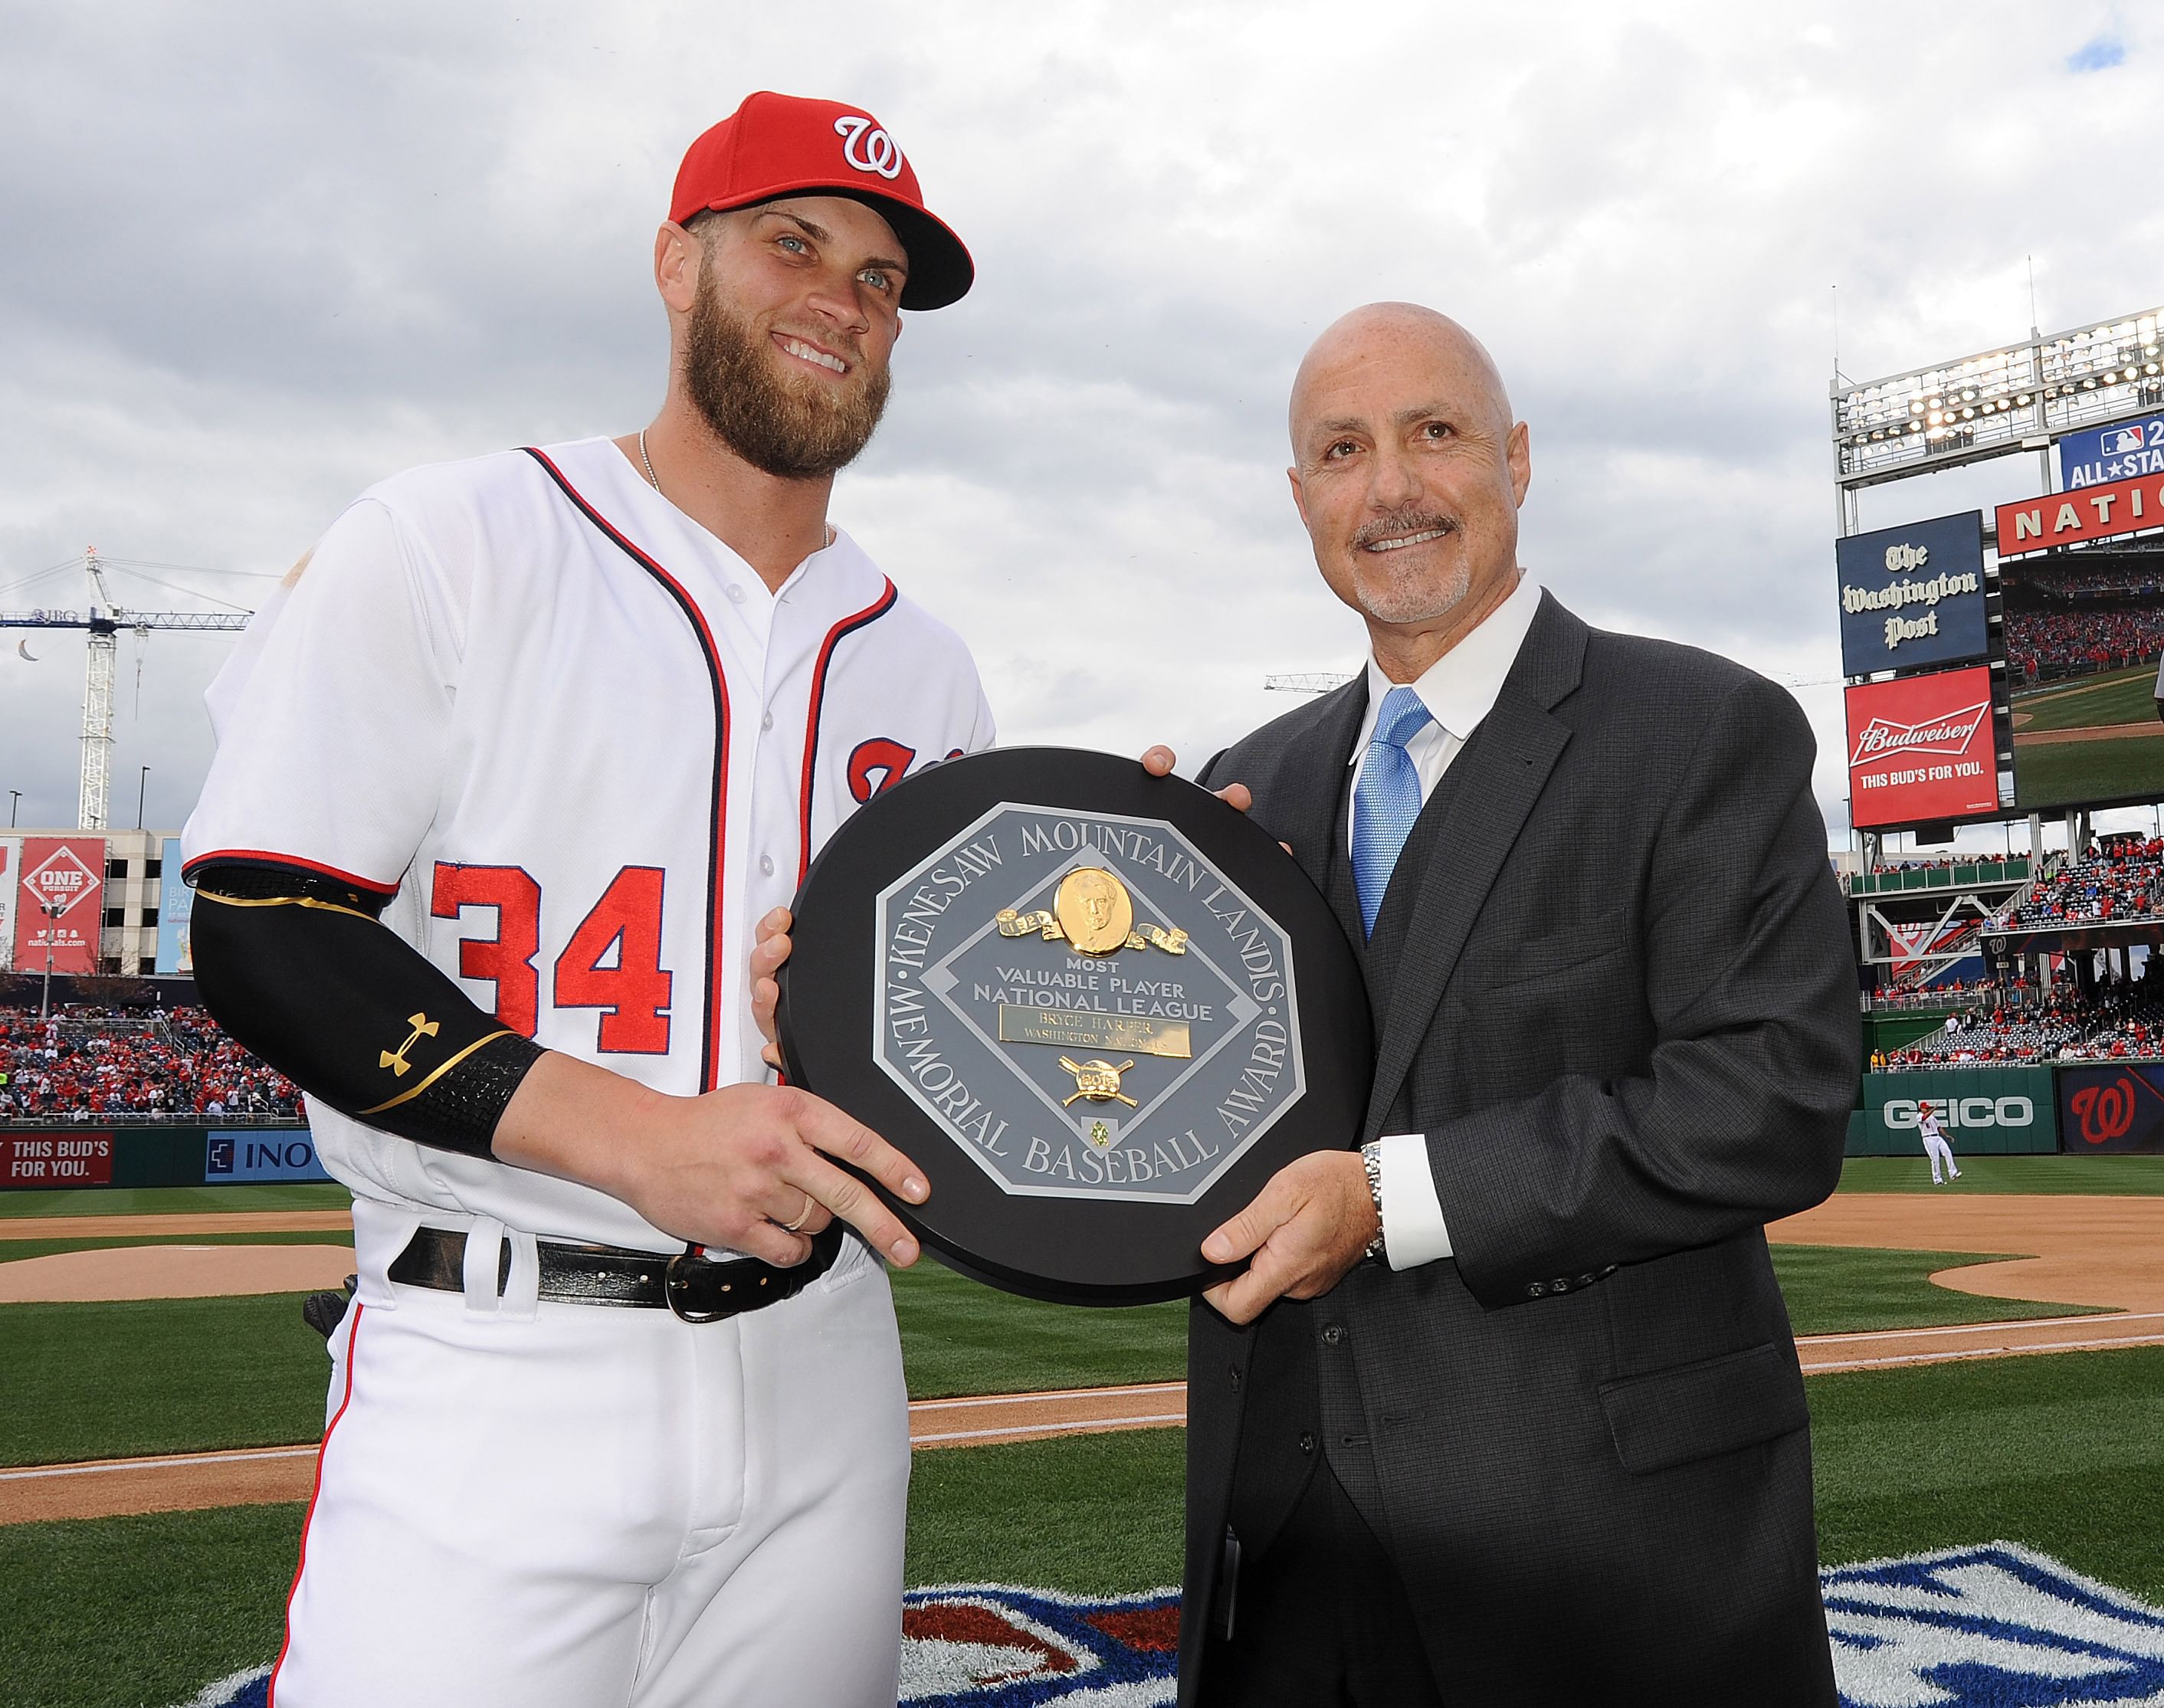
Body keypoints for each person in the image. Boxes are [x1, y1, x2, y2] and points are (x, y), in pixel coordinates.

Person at [179, 92, 988, 1708]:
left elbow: (956, 1057)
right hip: (494, 1352)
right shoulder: (451, 538)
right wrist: (639, 1135)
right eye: (793, 244)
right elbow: (262, 924)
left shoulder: (924, 662)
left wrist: (1148, 920)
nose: (842, 298)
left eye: (882, 278)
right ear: (675, 263)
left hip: (823, 1369)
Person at [1171, 303, 1857, 1706]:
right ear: (1297, 494)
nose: (1391, 487)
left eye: (1433, 433)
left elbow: (1767, 1100)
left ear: (1517, 458)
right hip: (1283, 1560)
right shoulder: (1248, 781)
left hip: (1601, 1560)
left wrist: (1389, 1196)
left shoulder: (1698, 728)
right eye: (1341, 448)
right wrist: (1091, 921)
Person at [1916, 1101, 1961, 1183]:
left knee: (1948, 1152)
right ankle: (1937, 1179)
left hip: (1937, 1137)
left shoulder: (1932, 1117)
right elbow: (1924, 1118)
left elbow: (1939, 1127)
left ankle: (1953, 1173)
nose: (1927, 1109)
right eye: (1926, 1108)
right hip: (1928, 1138)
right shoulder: (1919, 1116)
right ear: (1921, 1108)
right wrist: (1933, 1109)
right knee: (1935, 1159)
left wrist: (1947, 1135)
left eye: (1928, 1108)